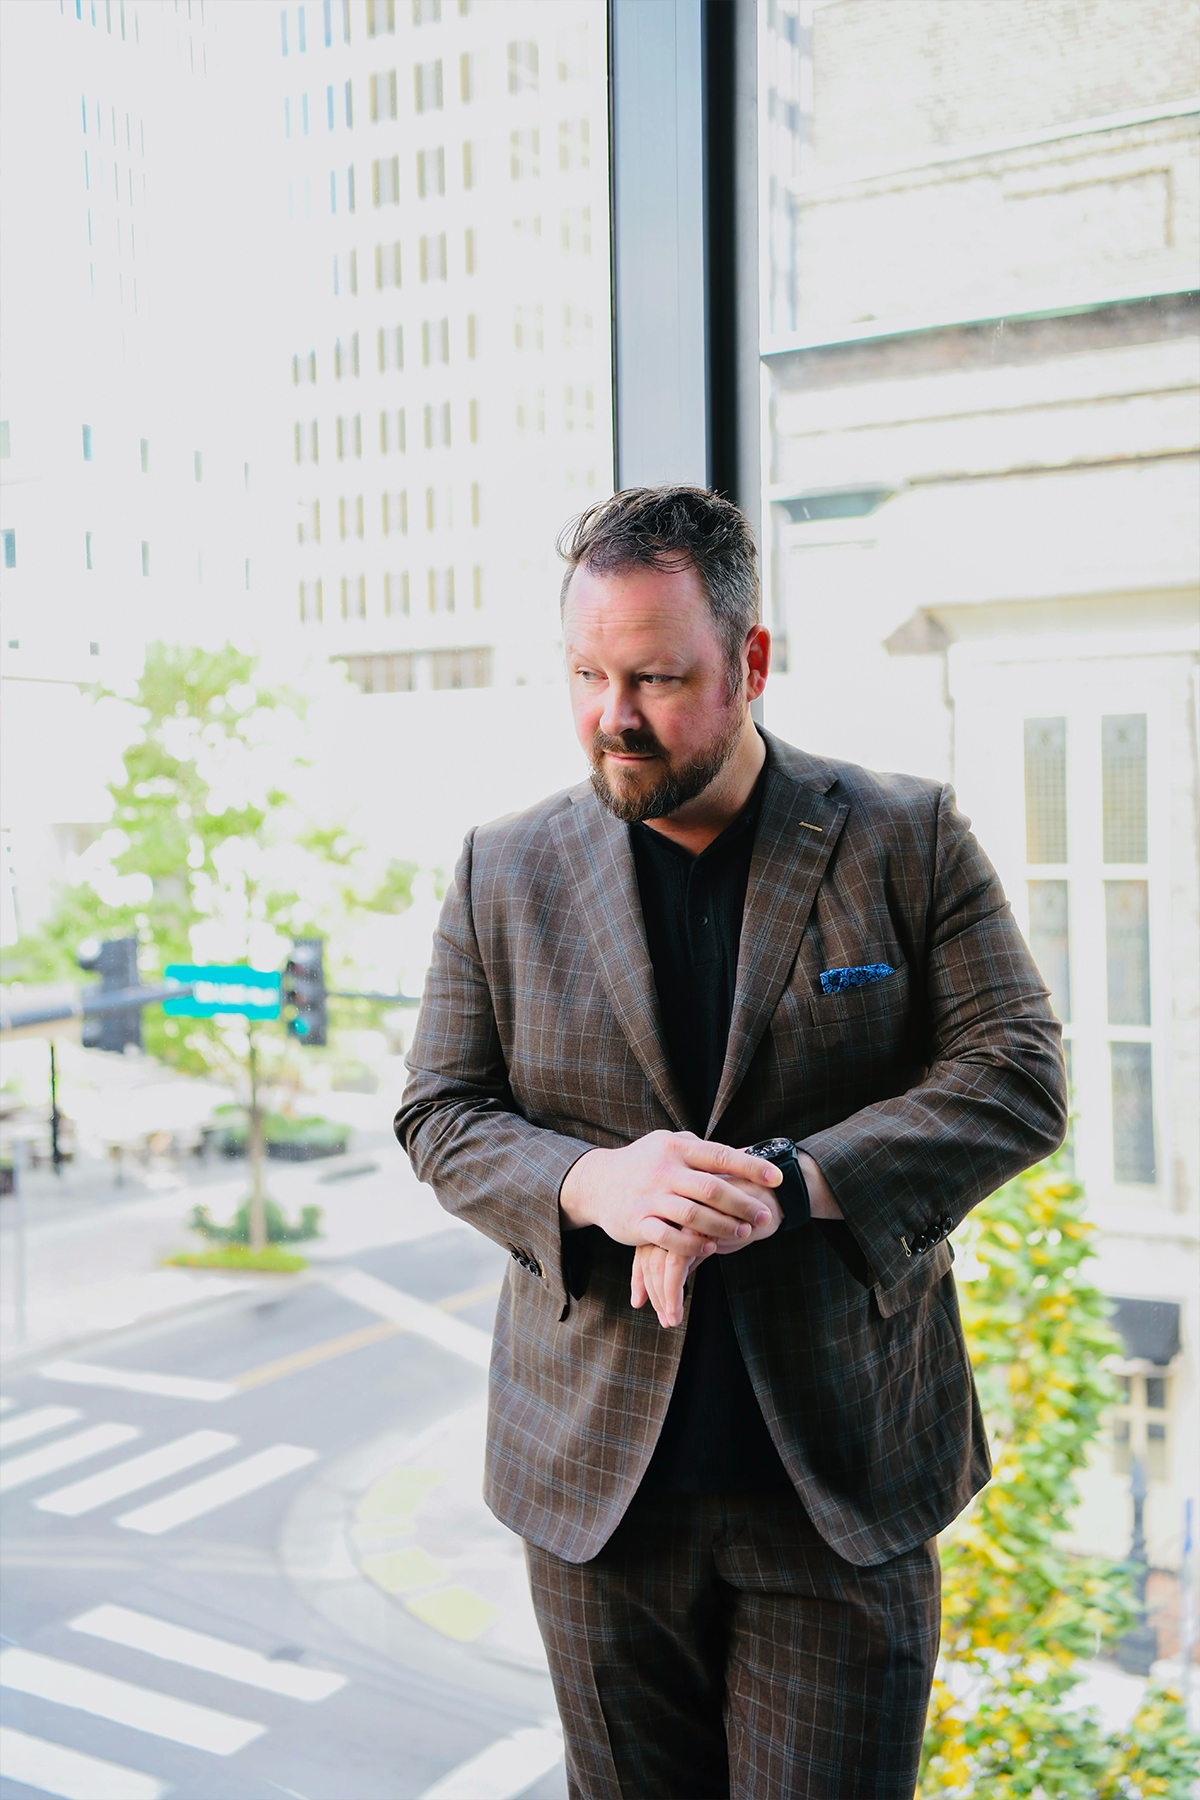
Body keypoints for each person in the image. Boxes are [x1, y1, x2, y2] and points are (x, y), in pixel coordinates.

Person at [394, 485, 1066, 1800]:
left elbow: (1018, 1076)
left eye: (654, 677)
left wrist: (792, 1185)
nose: (612, 717)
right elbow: (440, 1112)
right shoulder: (503, 866)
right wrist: (596, 1180)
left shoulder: (904, 838)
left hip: (837, 1491)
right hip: (596, 1501)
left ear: (750, 662)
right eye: (586, 674)